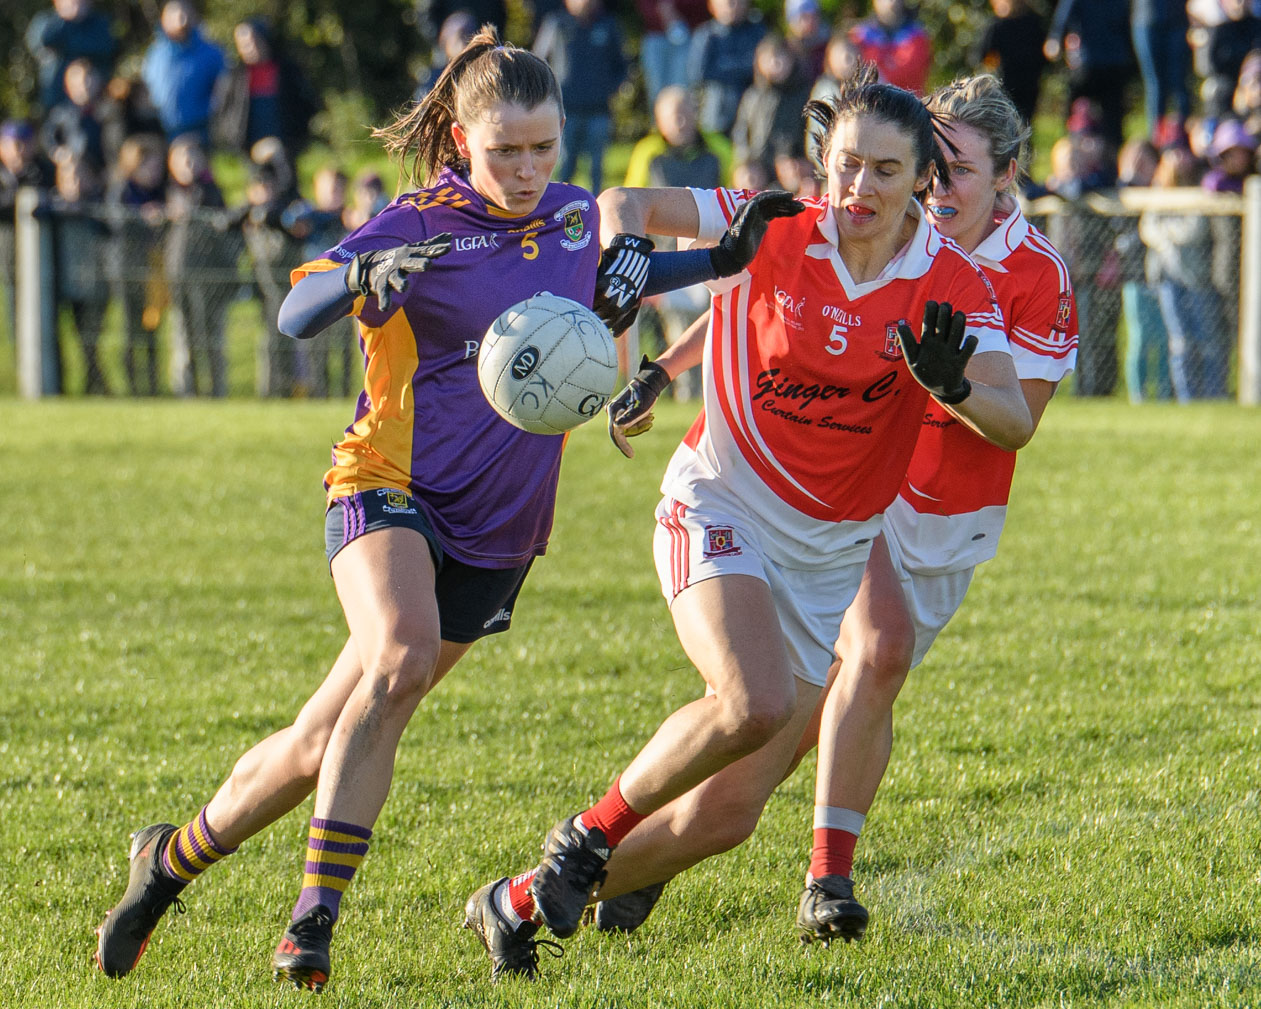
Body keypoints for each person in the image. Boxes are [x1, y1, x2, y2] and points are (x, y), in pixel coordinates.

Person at [93, 25, 745, 992]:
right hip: (386, 486)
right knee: (396, 661)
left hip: (500, 524)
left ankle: (171, 859)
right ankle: (312, 923)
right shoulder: (417, 221)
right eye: (504, 151)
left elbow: (632, 272)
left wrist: (731, 252)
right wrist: (358, 276)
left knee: (325, 735)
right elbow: (297, 305)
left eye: (542, 148)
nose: (526, 170)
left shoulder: (572, 217)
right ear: (458, 140)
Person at [464, 65, 1033, 980]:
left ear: (920, 174)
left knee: (727, 815)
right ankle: (585, 839)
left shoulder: (951, 281)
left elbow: (1016, 420)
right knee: (752, 699)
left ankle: (519, 897)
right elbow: (626, 199)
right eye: (846, 165)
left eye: (885, 171)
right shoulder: (771, 224)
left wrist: (954, 384)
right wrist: (620, 251)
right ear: (824, 161)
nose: (859, 189)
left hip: (828, 557)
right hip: (719, 501)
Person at [792, 74, 1078, 942]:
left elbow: (1014, 424)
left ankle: (639, 850)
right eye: (930, 167)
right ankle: (825, 881)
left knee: (824, 701)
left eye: (955, 170)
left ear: (1007, 176)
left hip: (950, 525)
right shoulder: (889, 234)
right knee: (866, 657)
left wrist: (948, 381)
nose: (933, 188)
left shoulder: (1038, 275)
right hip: (853, 494)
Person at [532, 0, 627, 194]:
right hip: (565, 110)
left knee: (596, 167)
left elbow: (621, 65)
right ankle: (556, 207)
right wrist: (549, 97)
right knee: (563, 163)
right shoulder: (556, 24)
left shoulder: (607, 25)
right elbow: (538, 62)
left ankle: (596, 210)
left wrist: (608, 89)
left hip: (599, 109)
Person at [106, 134, 168, 395]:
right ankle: (134, 387)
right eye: (149, 166)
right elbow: (115, 222)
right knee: (132, 330)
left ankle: (153, 386)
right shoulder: (122, 190)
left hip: (152, 269)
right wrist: (142, 218)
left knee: (152, 328)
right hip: (127, 269)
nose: (155, 172)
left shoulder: (158, 191)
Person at [213, 18, 320, 162]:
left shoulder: (287, 71)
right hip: (249, 152)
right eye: (243, 44)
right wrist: (236, 144)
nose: (249, 48)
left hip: (286, 149)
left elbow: (306, 105)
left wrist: (296, 141)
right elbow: (224, 113)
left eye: (253, 41)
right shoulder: (234, 76)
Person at [1043, 0, 1136, 152]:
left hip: (1088, 62)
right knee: (1113, 119)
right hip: (1115, 62)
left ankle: (1071, 147)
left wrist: (1055, 39)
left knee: (1073, 109)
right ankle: (1113, 155)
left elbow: (1062, 20)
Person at [141, 0, 227, 146]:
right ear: (163, 19)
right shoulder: (155, 54)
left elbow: (224, 91)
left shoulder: (212, 53)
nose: (181, 19)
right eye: (174, 14)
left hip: (202, 132)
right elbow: (147, 89)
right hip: (163, 134)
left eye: (185, 13)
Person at [687, 0, 768, 134]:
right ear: (712, 5)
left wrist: (725, 67)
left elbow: (764, 71)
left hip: (753, 108)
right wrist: (741, 69)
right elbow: (697, 74)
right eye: (729, 2)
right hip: (716, 110)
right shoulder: (705, 35)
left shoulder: (758, 32)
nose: (734, 6)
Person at [24, 0, 117, 115]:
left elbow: (104, 49)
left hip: (93, 103)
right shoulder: (46, 20)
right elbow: (40, 44)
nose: (77, 4)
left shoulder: (100, 23)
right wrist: (62, 20)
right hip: (56, 99)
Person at [973, 0, 1047, 128]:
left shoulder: (997, 24)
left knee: (1004, 127)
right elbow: (1044, 57)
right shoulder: (1035, 23)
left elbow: (980, 56)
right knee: (1025, 125)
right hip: (1030, 84)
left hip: (1004, 84)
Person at [849, 0, 932, 94]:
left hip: (910, 104)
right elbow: (848, 70)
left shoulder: (917, 35)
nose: (891, 2)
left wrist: (877, 77)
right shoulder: (860, 36)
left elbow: (911, 73)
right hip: (869, 103)